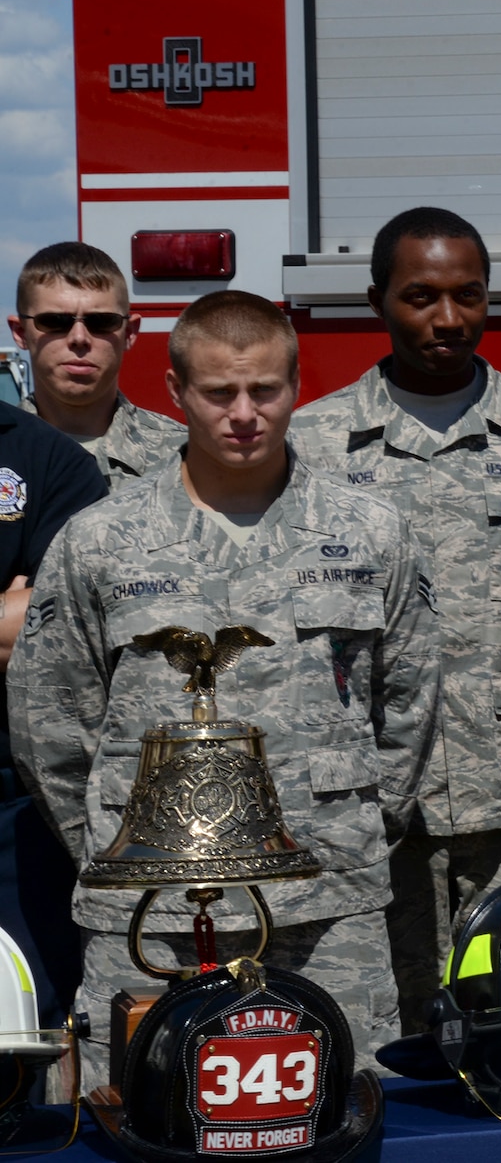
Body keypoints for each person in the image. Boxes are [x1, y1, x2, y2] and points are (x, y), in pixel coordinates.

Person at [8, 290, 440, 1089]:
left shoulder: (371, 533)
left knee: (339, 1113)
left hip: (327, 908)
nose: (244, 414)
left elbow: (409, 707)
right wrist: (121, 847)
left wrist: (349, 829)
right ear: (176, 393)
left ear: (297, 384)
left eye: (265, 390)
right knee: (144, 1111)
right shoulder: (102, 540)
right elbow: (50, 723)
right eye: (218, 393)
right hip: (152, 914)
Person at [290, 207, 501, 1033]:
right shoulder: (313, 445)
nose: (448, 320)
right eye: (421, 296)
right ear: (376, 297)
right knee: (388, 1034)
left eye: (469, 296)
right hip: (376, 801)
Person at [0, 405, 103, 1037]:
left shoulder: (48, 460)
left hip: (11, 810)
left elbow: (47, 628)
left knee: (17, 1033)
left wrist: (23, 613)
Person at [7, 242, 184, 488]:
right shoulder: (7, 448)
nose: (79, 338)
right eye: (54, 321)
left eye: (101, 322)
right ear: (20, 333)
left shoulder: (186, 459)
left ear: (130, 333)